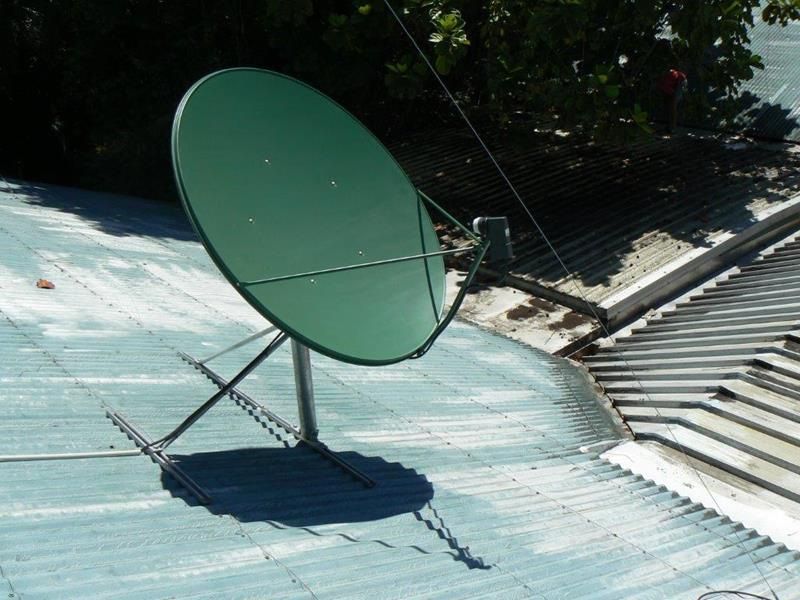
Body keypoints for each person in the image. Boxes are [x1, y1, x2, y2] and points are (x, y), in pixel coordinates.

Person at [657, 68, 688, 133]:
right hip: (675, 83)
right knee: (669, 106)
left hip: (680, 82)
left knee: (672, 107)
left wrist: (673, 97)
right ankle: (670, 126)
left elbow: (672, 92)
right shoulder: (663, 82)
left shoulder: (665, 83)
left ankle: (672, 128)